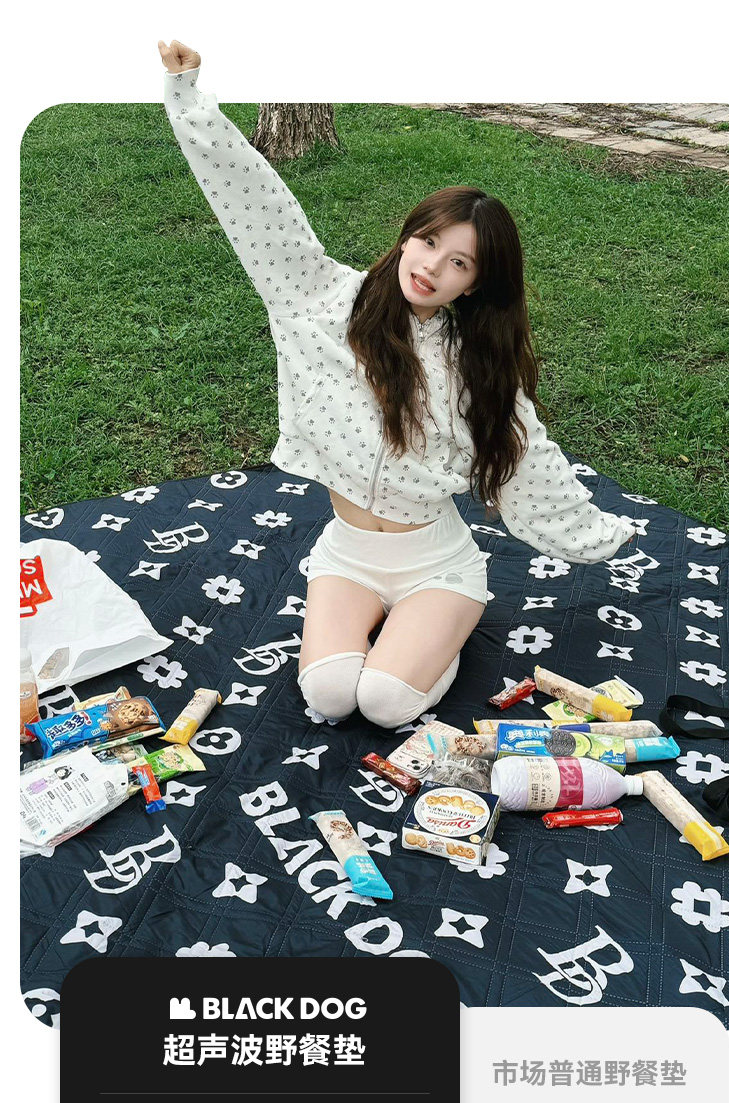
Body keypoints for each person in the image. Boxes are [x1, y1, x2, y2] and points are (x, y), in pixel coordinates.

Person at [158, 40, 635, 729]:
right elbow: (256, 203)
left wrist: (602, 535)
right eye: (429, 242)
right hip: (347, 555)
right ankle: (392, 635)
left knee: (384, 704)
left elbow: (531, 459)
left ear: (476, 284)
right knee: (328, 696)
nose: (433, 267)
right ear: (408, 236)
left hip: (437, 563)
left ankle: (437, 632)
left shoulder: (476, 366)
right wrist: (188, 99)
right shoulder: (317, 299)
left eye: (460, 263)